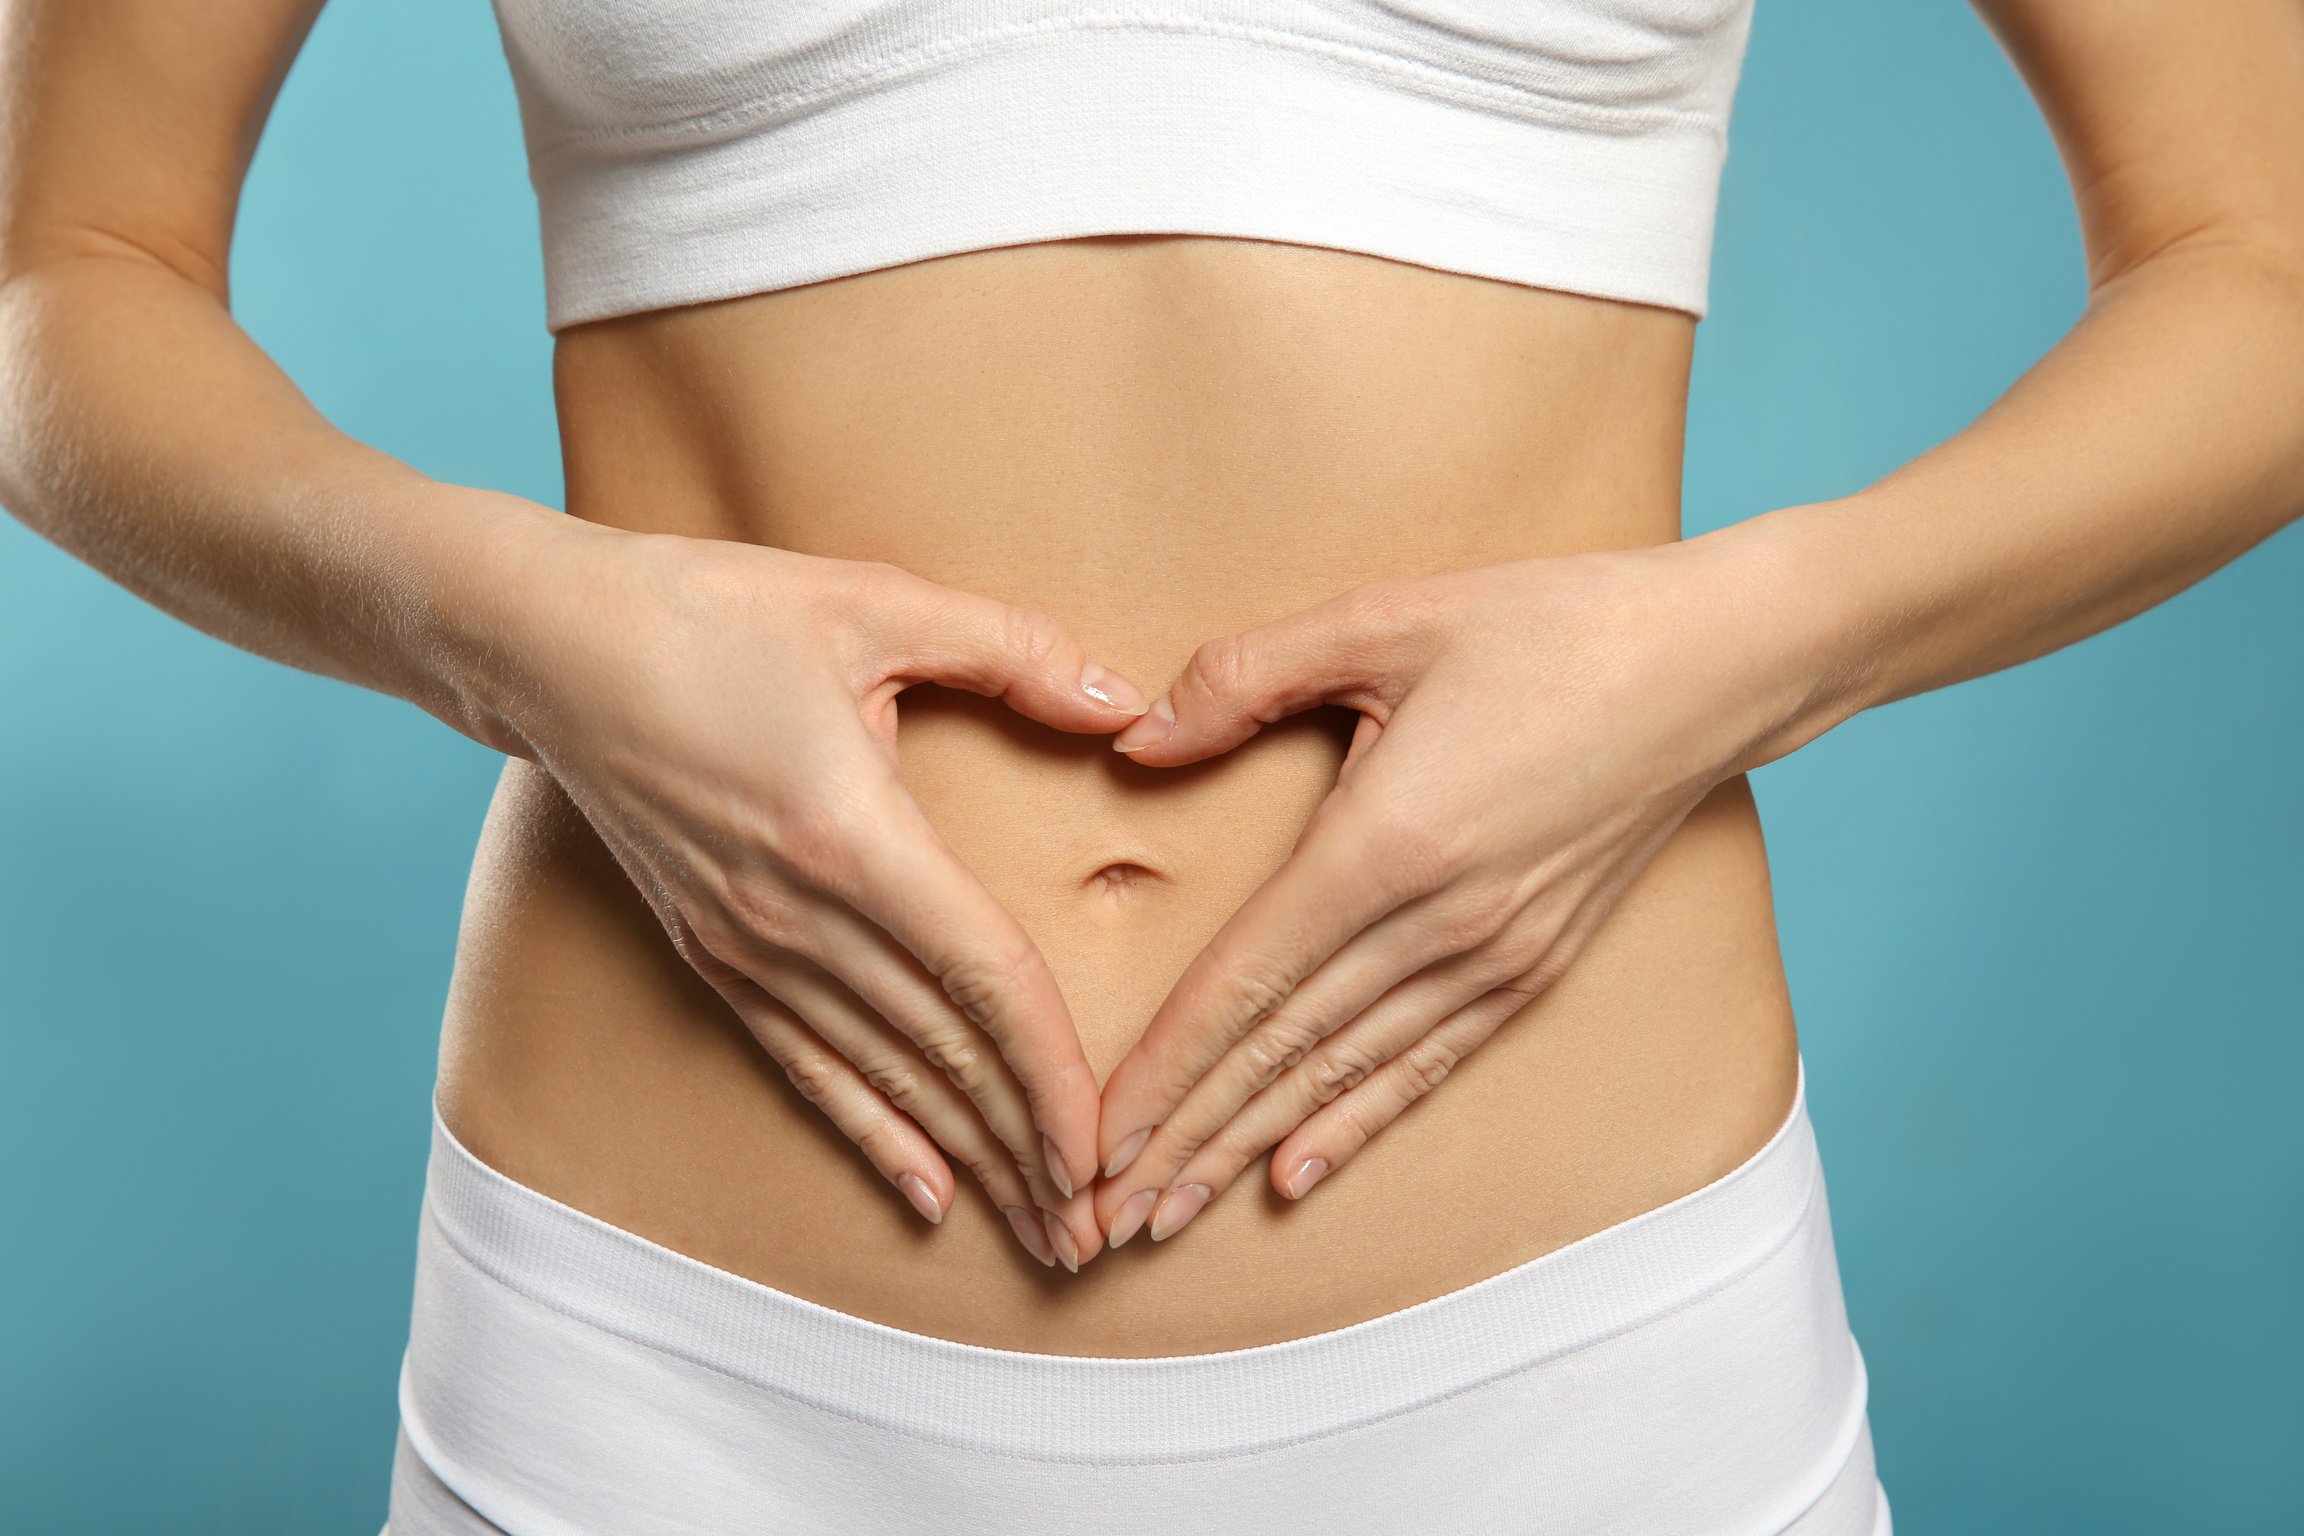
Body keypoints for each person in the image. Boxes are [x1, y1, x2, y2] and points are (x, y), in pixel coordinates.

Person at [2, 0, 2299, 1530]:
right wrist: (514, 627)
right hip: (675, 1393)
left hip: (1585, 1381)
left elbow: (2261, 260)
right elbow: (62, 280)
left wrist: (1742, 644)